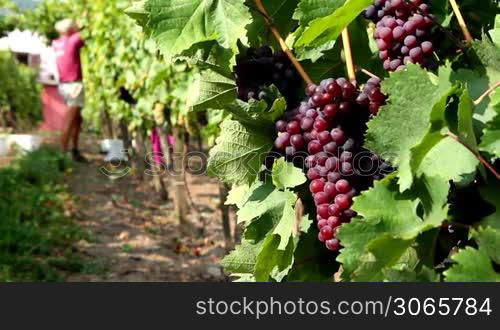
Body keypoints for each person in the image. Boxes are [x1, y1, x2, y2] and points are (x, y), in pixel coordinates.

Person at [53, 19, 86, 162]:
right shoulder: (73, 40)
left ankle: (74, 150)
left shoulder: (56, 43)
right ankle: (62, 155)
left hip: (63, 85)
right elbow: (85, 33)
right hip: (74, 86)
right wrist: (80, 23)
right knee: (70, 120)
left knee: (77, 119)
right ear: (71, 29)